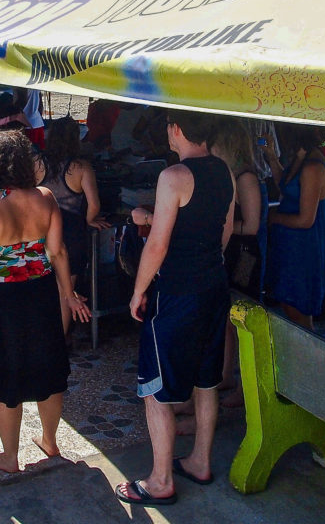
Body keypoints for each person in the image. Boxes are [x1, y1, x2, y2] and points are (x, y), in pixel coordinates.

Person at [0, 130, 91, 473]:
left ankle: (9, 456)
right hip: (40, 294)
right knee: (48, 366)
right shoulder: (46, 197)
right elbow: (58, 252)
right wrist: (68, 295)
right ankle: (50, 442)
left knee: (5, 372)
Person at [116, 111, 235, 506]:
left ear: (178, 129)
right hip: (214, 285)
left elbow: (158, 244)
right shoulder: (224, 172)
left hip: (178, 293)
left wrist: (138, 290)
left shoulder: (175, 177)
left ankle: (161, 479)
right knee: (205, 381)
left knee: (157, 390)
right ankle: (200, 460)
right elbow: (224, 231)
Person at [35, 116, 109, 337]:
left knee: (39, 285)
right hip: (71, 231)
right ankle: (58, 342)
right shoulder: (81, 167)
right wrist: (89, 219)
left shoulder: (37, 163)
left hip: (42, 228)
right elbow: (94, 203)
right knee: (66, 291)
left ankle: (38, 335)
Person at [209, 118, 261, 407]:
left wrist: (222, 225)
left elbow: (252, 226)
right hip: (232, 251)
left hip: (245, 256)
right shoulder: (230, 174)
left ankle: (245, 388)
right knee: (228, 320)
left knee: (243, 318)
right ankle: (227, 375)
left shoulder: (246, 178)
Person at [266, 124, 325, 328]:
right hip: (289, 244)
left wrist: (272, 218)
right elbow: (286, 186)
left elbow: (306, 220)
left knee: (299, 312)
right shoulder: (301, 158)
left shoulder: (313, 167)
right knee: (288, 305)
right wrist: (270, 156)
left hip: (303, 248)